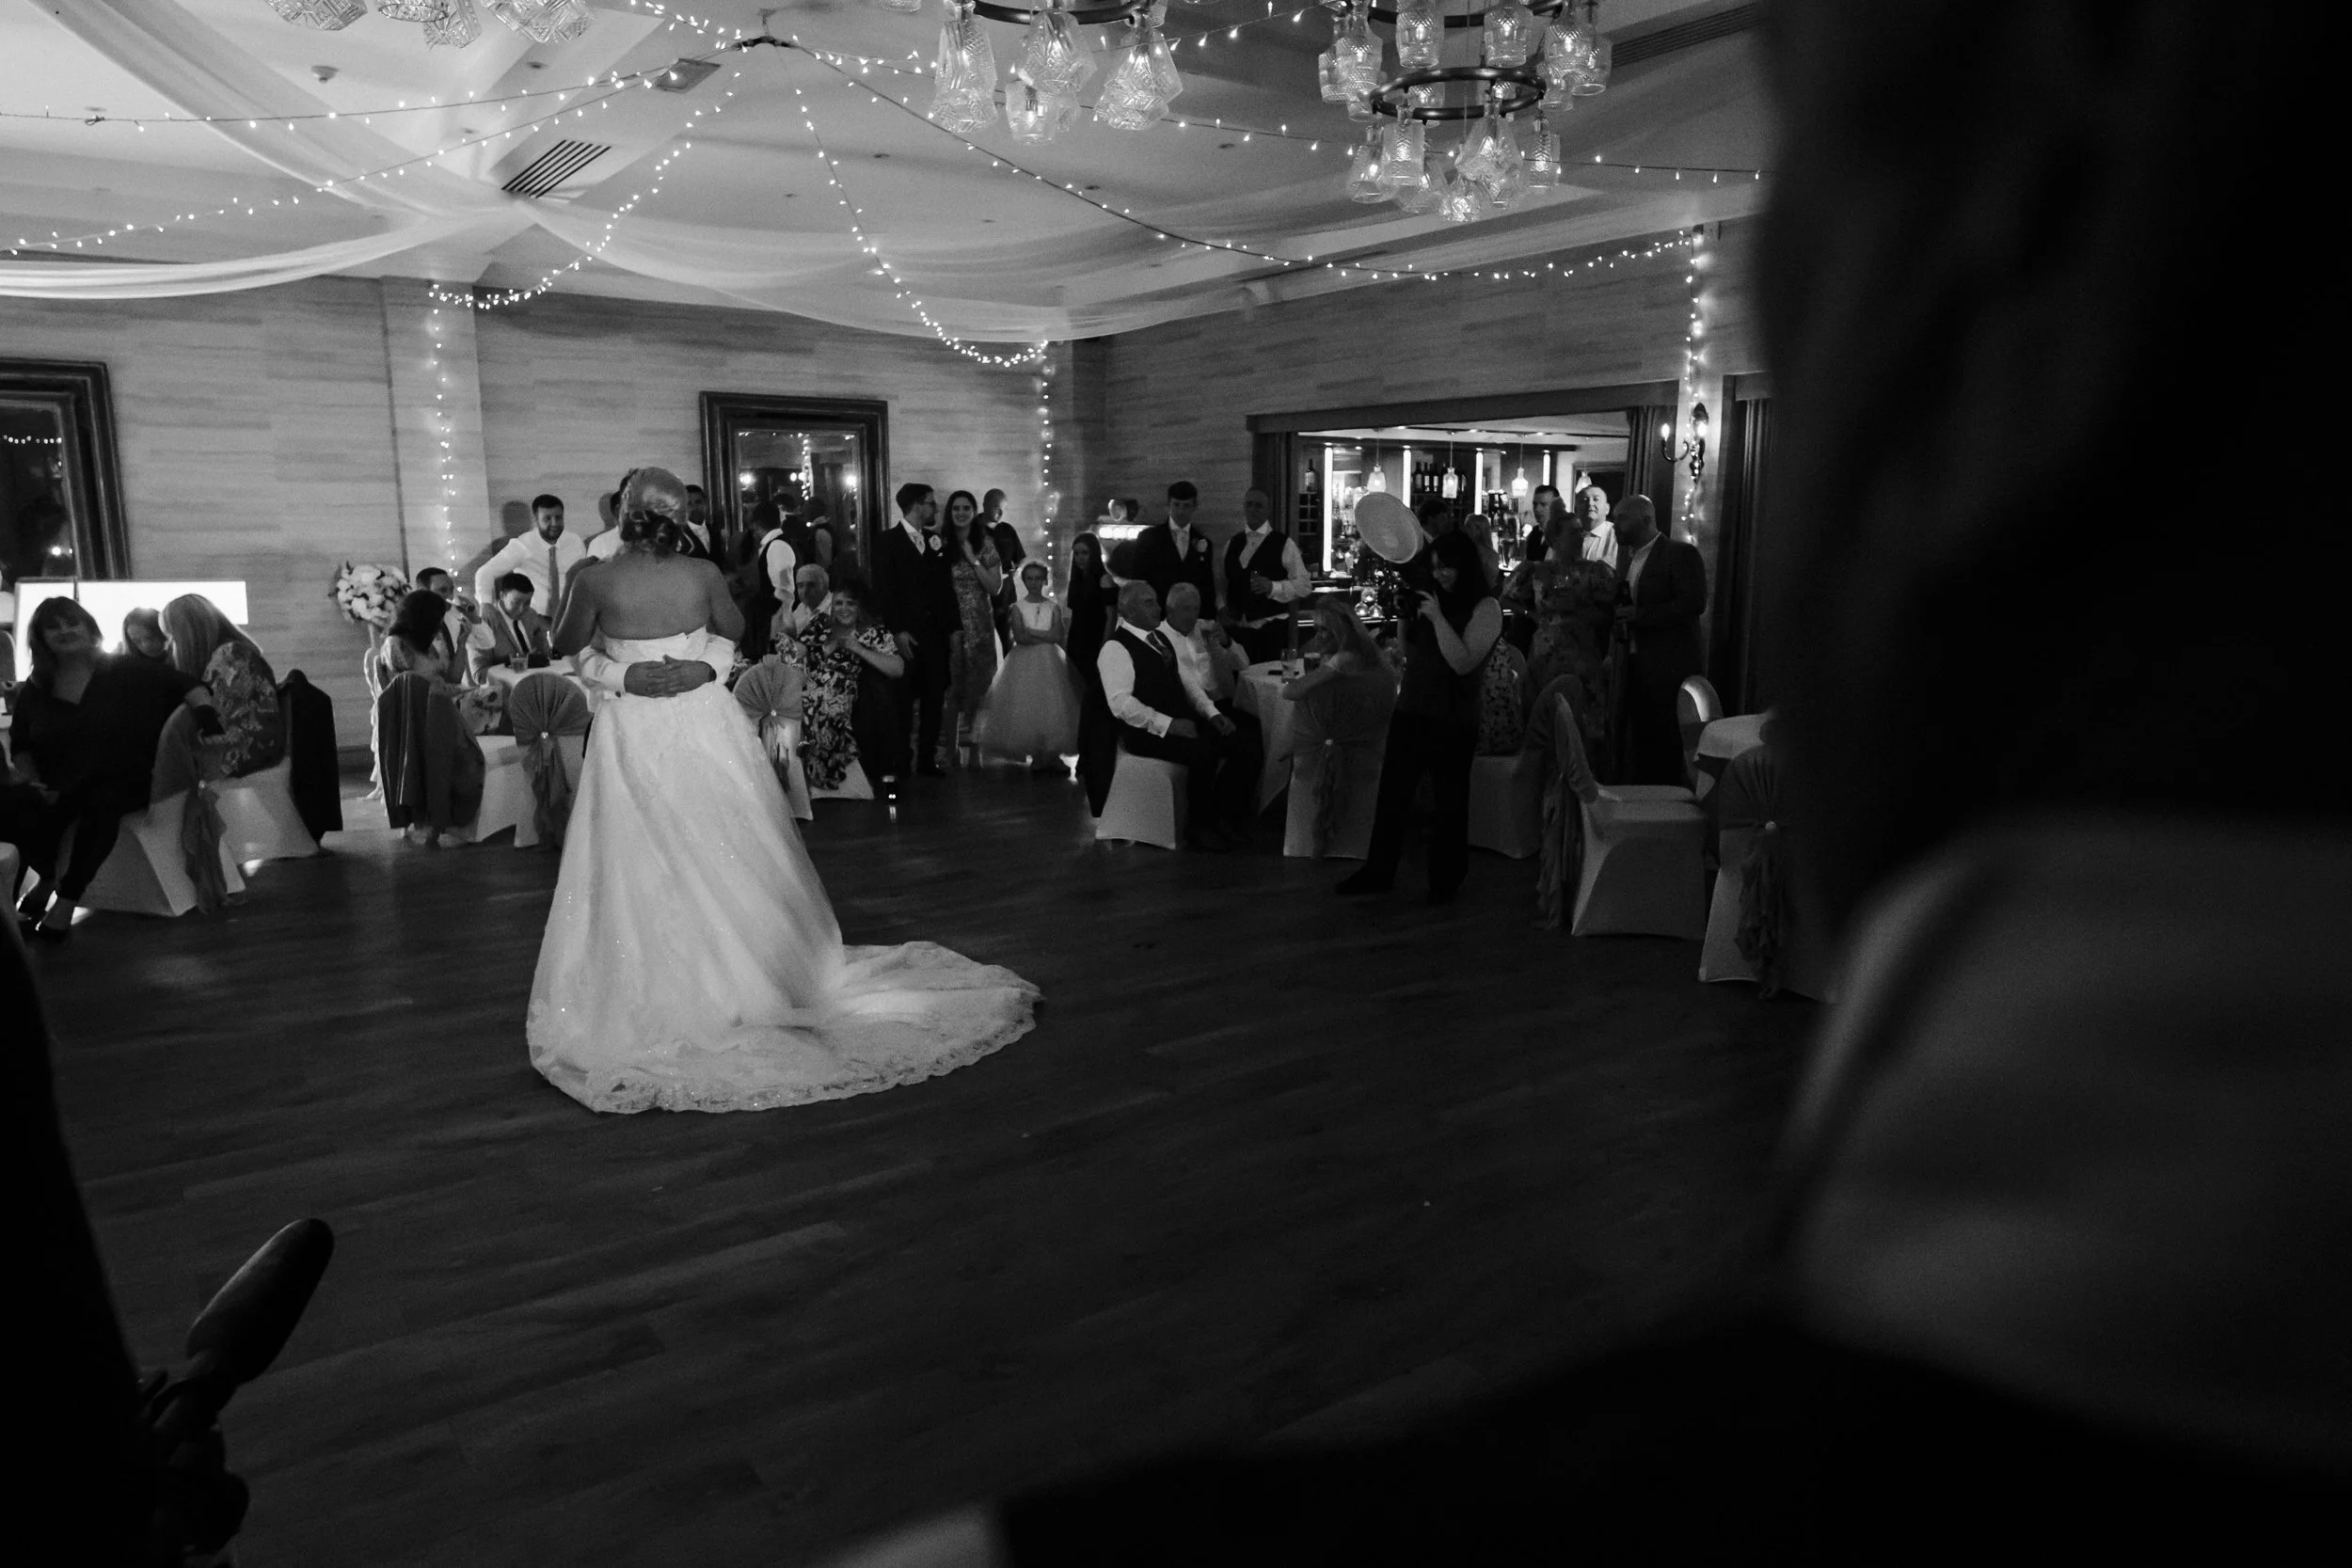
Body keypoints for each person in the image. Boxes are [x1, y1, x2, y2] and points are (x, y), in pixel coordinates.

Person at [528, 465, 1038, 1114]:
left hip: (633, 726)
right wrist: (697, 664)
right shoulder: (701, 574)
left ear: (623, 511)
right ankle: (750, 976)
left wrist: (617, 665)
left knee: (638, 847)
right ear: (677, 516)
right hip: (699, 720)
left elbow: (564, 642)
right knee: (723, 839)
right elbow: (733, 631)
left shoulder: (593, 577)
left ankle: (662, 986)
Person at [7, 597, 217, 939]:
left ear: (88, 627)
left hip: (127, 779)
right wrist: (31, 781)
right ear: (40, 638)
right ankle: (46, 878)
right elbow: (21, 742)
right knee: (15, 805)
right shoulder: (37, 685)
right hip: (63, 783)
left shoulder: (123, 669)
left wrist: (208, 717)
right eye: (53, 626)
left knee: (100, 801)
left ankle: (67, 899)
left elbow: (188, 685)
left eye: (72, 622)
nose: (64, 630)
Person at [1339, 531, 1502, 903]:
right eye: (1435, 568)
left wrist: (1437, 617)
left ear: (1465, 566)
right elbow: (1411, 654)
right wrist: (1406, 616)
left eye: (1447, 567)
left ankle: (1446, 880)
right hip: (1412, 708)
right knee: (1392, 797)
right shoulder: (1433, 598)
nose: (1440, 574)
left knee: (1449, 803)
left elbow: (1463, 662)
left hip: (1454, 717)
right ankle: (1378, 871)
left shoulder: (1486, 608)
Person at [1097, 580, 1248, 850]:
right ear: (1128, 611)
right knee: (1204, 752)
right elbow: (1120, 704)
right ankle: (1198, 825)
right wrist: (1168, 724)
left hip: (1180, 721)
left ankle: (1223, 816)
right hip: (1144, 733)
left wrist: (1212, 713)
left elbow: (1187, 681)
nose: (1158, 608)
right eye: (1149, 603)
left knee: (1243, 743)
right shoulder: (1116, 648)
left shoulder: (1158, 638)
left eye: (1156, 601)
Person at [1609, 494, 1708, 786]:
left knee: (1666, 747)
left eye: (1622, 518)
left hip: (1668, 668)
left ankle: (1667, 802)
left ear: (1646, 519)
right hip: (1635, 665)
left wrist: (1639, 615)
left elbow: (1693, 603)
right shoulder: (1629, 559)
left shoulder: (1680, 554)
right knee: (1641, 745)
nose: (1615, 525)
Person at [779, 574, 904, 795]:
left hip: (840, 688)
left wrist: (858, 649)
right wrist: (796, 646)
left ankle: (818, 776)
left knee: (815, 706)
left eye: (850, 603)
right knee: (785, 704)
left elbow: (897, 667)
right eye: (838, 603)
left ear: (860, 606)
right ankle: (791, 779)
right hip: (808, 682)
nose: (843, 609)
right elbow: (799, 649)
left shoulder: (872, 632)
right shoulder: (821, 625)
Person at [377, 592, 485, 847]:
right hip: (417, 720)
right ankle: (439, 821)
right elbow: (409, 688)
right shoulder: (396, 645)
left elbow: (452, 677)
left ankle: (454, 821)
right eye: (437, 618)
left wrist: (462, 642)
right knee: (464, 759)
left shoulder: (426, 644)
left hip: (442, 710)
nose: (439, 624)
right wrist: (446, 691)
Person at [872, 482, 959, 779]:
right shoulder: (887, 541)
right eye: (931, 503)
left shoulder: (935, 540)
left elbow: (946, 589)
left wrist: (954, 629)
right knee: (903, 700)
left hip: (935, 634)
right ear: (916, 505)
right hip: (906, 634)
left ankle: (926, 759)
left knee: (934, 698)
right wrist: (897, 630)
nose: (936, 509)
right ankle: (901, 758)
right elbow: (885, 590)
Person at [159, 593, 284, 779]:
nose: (168, 646)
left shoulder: (230, 657)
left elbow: (215, 726)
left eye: (171, 637)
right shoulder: (231, 653)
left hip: (244, 758)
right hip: (250, 752)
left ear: (188, 635)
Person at [974, 560, 1080, 771]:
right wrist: (1044, 635)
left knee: (1051, 703)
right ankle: (1037, 754)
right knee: (1029, 703)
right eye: (1030, 579)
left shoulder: (1052, 606)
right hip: (1024, 661)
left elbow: (1057, 635)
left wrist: (1033, 632)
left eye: (1038, 578)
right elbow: (1021, 637)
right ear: (1024, 581)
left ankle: (1052, 754)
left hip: (1050, 660)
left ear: (1044, 580)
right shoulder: (1018, 607)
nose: (1034, 583)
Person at [943, 491, 1005, 768]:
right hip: (951, 624)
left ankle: (977, 748)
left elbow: (995, 587)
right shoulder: (940, 542)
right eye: (956, 508)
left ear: (973, 511)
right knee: (951, 688)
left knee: (980, 686)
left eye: (966, 508)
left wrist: (972, 559)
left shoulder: (985, 544)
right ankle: (951, 748)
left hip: (979, 623)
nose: (961, 513)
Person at [1220, 487, 1312, 663]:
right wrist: (1222, 607)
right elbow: (1223, 582)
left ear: (1268, 510)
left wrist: (1273, 587)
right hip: (1236, 633)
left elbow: (1304, 585)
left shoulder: (1284, 544)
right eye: (1249, 504)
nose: (1253, 509)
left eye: (1259, 505)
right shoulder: (1232, 543)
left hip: (1271, 632)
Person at [475, 493, 587, 619]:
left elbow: (585, 578)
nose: (554, 523)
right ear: (536, 519)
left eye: (558, 517)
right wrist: (485, 603)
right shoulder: (523, 545)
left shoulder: (575, 542)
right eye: (547, 519)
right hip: (534, 619)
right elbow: (485, 572)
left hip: (570, 617)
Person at [1131, 481, 1218, 612]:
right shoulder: (1148, 538)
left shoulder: (1204, 542)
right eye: (1176, 505)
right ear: (1168, 505)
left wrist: (1208, 618)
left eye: (1186, 506)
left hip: (1190, 616)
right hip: (1157, 613)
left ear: (1195, 507)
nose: (1181, 511)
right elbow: (1138, 581)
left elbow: (1206, 586)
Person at [465, 571, 553, 683]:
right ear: (502, 596)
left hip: (538, 682)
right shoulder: (484, 624)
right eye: (516, 602)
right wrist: (513, 663)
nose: (522, 609)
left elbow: (544, 654)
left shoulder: (530, 614)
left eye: (527, 602)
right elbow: (479, 674)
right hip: (506, 688)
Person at [1063, 531, 1112, 692]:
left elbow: (1111, 616)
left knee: (1093, 686)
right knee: (1076, 686)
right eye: (1076, 553)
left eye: (1085, 552)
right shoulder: (1077, 580)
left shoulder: (1104, 580)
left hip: (1095, 639)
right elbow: (1074, 614)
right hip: (1077, 639)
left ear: (1094, 553)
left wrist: (1105, 645)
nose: (1080, 557)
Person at [784, 561, 832, 641]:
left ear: (825, 586)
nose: (805, 591)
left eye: (811, 585)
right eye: (800, 586)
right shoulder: (802, 606)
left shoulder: (837, 607)